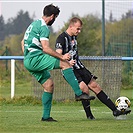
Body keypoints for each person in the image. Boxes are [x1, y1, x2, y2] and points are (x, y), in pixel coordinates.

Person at [21, 4, 95, 122]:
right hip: (36, 59)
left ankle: (46, 117)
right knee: (65, 63)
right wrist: (62, 56)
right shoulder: (44, 27)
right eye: (55, 18)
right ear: (52, 16)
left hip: (29, 60)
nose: (54, 20)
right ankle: (78, 93)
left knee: (49, 85)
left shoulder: (34, 24)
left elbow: (22, 42)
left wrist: (27, 56)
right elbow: (46, 48)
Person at [55, 17, 131, 119]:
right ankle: (89, 116)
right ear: (71, 26)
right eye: (77, 29)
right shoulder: (61, 38)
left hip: (79, 67)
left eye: (80, 29)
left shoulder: (74, 37)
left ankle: (115, 111)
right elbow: (57, 54)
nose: (79, 31)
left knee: (95, 86)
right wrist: (67, 61)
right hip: (69, 69)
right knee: (84, 89)